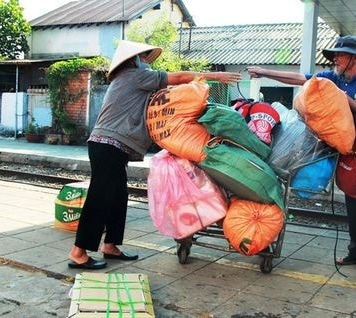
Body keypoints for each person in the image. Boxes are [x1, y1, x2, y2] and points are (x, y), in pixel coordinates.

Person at [247, 35, 356, 278]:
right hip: (348, 155)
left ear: (355, 59)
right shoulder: (331, 78)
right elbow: (301, 78)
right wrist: (263, 72)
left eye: (341, 54)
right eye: (335, 54)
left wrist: (342, 97)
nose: (336, 58)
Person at [68, 40, 242, 269]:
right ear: (132, 60)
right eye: (143, 58)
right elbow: (177, 78)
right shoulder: (135, 76)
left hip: (112, 147)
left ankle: (110, 245)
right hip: (107, 145)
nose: (146, 62)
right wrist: (212, 77)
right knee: (100, 197)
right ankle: (78, 252)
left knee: (118, 196)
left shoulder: (131, 79)